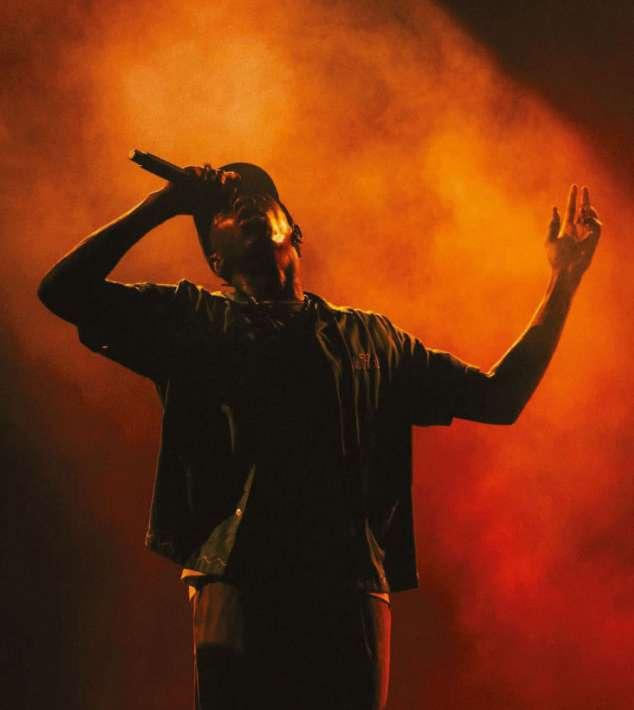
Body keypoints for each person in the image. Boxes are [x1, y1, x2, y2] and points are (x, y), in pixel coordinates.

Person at [38, 162, 601, 710]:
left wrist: (563, 281)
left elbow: (500, 397)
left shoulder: (373, 339)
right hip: (239, 580)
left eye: (259, 197)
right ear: (215, 258)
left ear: (295, 231)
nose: (244, 203)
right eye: (224, 210)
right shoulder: (190, 317)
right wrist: (163, 205)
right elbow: (63, 291)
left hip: (347, 588)